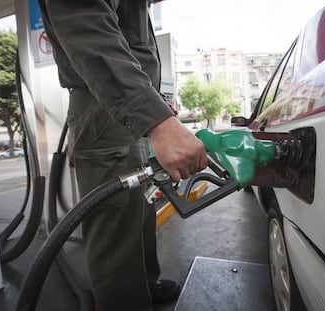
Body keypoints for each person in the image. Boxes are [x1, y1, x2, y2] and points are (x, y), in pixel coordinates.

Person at [37, 0, 208, 310]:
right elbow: (89, 31)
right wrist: (156, 120)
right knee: (115, 227)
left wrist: (153, 109)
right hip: (107, 105)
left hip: (122, 108)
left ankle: (143, 284)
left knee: (136, 211)